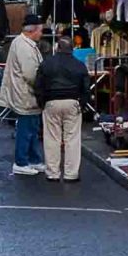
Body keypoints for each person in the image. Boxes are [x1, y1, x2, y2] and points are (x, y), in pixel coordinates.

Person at [35, 34, 91, 181]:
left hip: (51, 102)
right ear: (72, 49)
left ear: (57, 48)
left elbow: (38, 85)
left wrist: (42, 102)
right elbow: (86, 88)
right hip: (72, 102)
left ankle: (52, 173)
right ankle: (71, 174)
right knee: (72, 138)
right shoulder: (79, 65)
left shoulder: (47, 63)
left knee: (52, 138)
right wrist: (82, 104)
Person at [0, 15, 47, 176]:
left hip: (25, 93)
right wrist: (43, 87)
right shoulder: (25, 47)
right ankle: (21, 162)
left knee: (32, 128)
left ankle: (34, 159)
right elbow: (30, 74)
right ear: (32, 31)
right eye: (40, 30)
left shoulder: (23, 43)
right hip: (25, 93)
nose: (42, 33)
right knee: (27, 129)